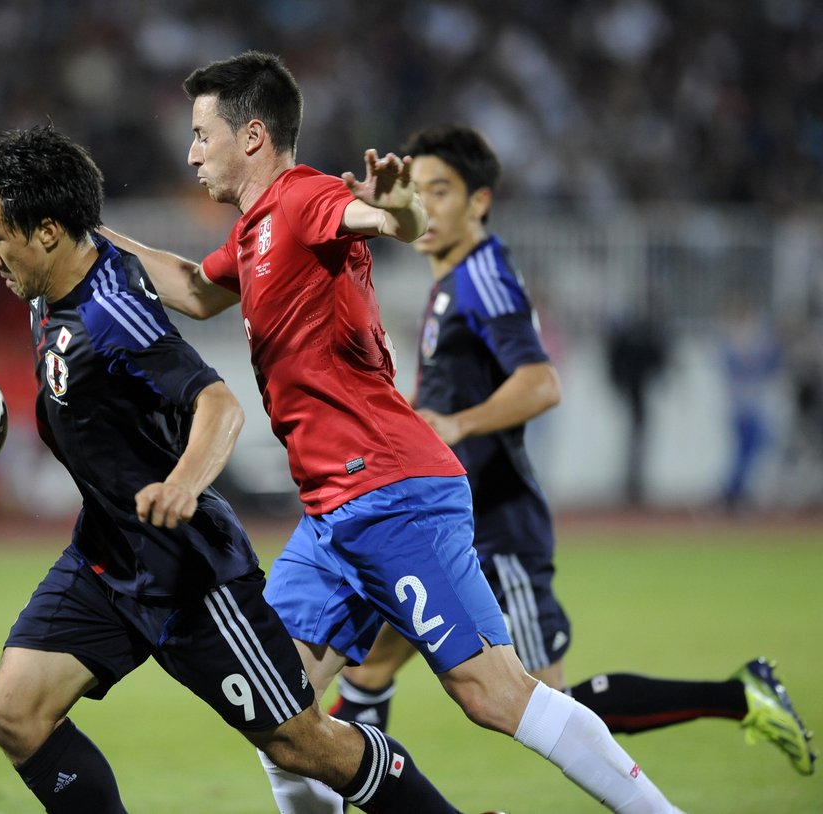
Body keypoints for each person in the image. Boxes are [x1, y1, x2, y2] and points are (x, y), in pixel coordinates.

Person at [96, 52, 687, 814]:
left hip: (393, 492)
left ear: (251, 137)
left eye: (201, 134)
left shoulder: (305, 198)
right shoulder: (251, 234)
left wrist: (399, 209)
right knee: (278, 712)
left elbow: (382, 220)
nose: (190, 152)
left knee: (493, 693)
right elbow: (191, 289)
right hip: (332, 514)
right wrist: (91, 240)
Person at [0, 126, 483, 814]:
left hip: (188, 571)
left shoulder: (114, 316)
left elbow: (219, 404)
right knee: (15, 714)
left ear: (48, 232)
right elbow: (1, 214)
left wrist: (182, 484)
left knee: (300, 742)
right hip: (107, 557)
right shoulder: (54, 257)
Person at [326, 124, 816, 785]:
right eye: (421, 190)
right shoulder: (449, 284)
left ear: (479, 202)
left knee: (548, 706)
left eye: (442, 190)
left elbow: (541, 380)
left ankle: (741, 696)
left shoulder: (485, 275)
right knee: (371, 670)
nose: (428, 205)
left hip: (496, 528)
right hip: (445, 521)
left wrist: (454, 423)